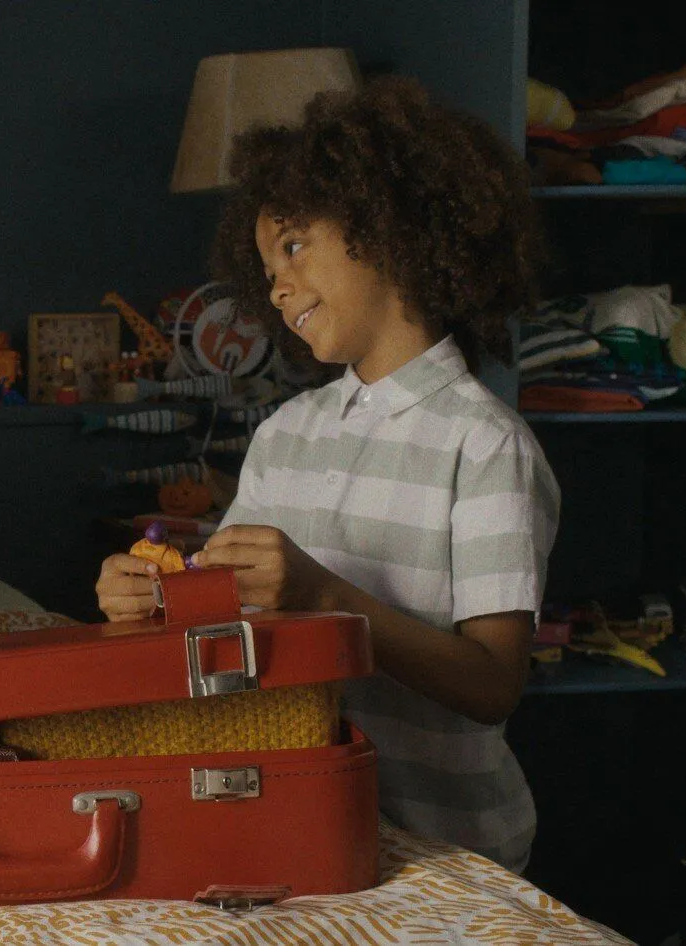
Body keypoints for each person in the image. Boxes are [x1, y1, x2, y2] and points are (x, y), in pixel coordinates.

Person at [95, 76, 560, 873]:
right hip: (302, 825)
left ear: (387, 228)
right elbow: (226, 616)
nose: (274, 287)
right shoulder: (284, 435)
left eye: (292, 246)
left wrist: (324, 598)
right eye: (264, 266)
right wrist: (153, 597)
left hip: (447, 853)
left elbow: (492, 683)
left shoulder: (485, 445)